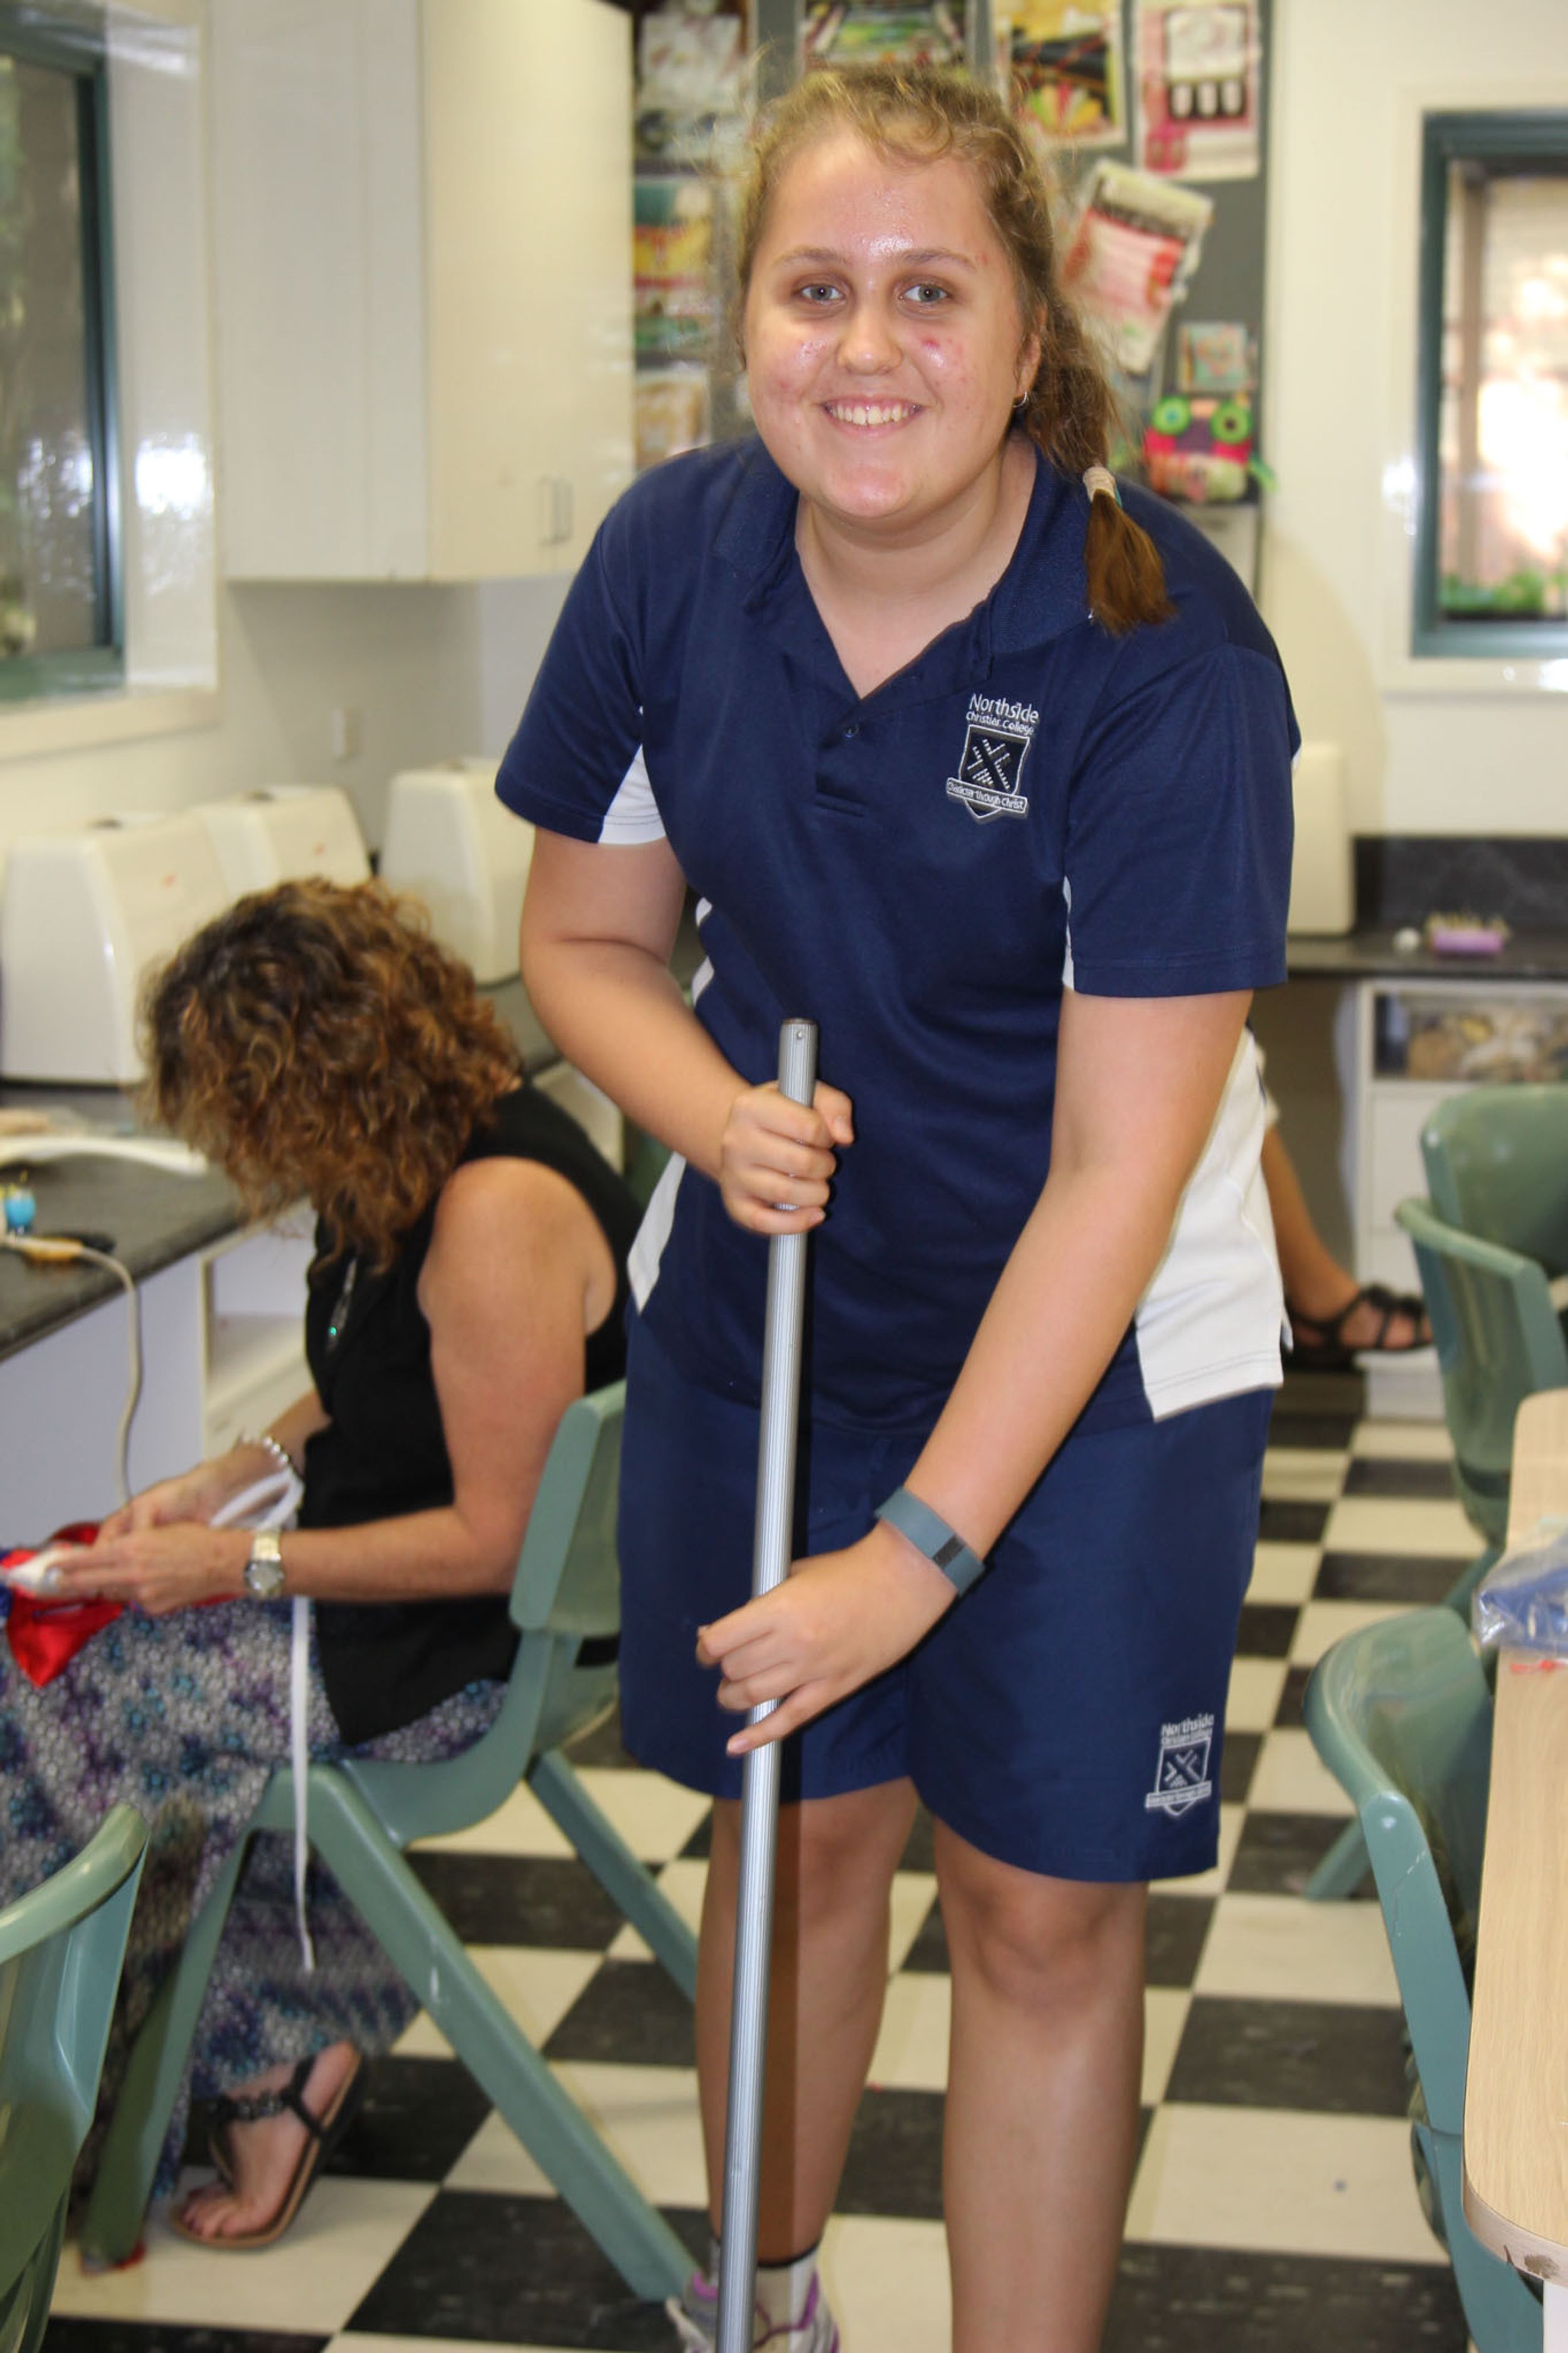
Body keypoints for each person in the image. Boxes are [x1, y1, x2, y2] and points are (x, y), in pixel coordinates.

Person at [502, 63, 1295, 2353]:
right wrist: (711, 1113)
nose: (868, 348)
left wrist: (914, 1555)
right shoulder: (673, 561)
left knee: (1039, 1908)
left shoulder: (1162, 658)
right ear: (743, 322)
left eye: (930, 293)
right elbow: (583, 944)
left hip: (1100, 1353)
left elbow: (1118, 1171)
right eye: (815, 289)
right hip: (782, 1319)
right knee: (797, 1844)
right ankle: (763, 2312)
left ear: (1031, 333)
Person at [2, 879, 638, 2250]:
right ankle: (270, 2025)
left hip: (464, 1659)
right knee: (78, 1647)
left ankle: (151, 2092)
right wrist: (224, 1475)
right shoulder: (417, 1161)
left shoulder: (495, 1215)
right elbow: (380, 1379)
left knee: (54, 1698)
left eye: (250, 1114)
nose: (249, 1152)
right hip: (424, 1621)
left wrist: (234, 1564)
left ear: (318, 1084)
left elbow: (496, 1537)